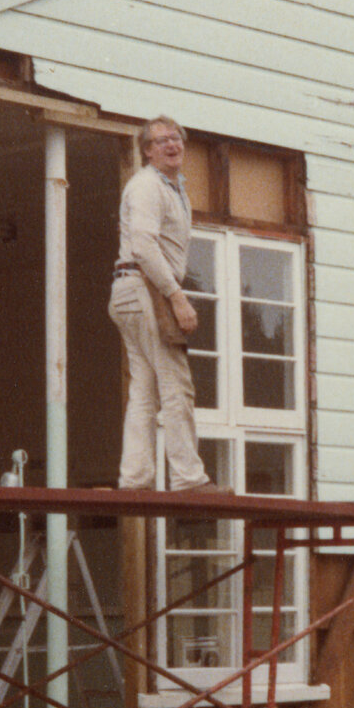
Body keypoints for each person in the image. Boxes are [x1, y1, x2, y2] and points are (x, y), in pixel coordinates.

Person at [109, 116, 222, 492]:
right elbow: (142, 245)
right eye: (161, 141)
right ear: (146, 150)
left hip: (133, 288)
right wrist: (176, 295)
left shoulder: (174, 189)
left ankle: (136, 477)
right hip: (146, 287)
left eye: (176, 139)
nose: (172, 146)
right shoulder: (147, 186)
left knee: (143, 387)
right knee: (176, 384)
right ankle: (188, 477)